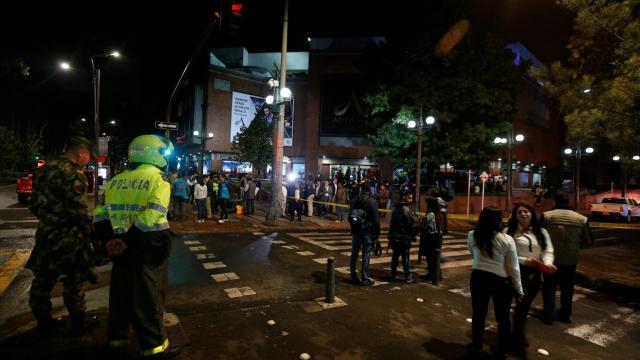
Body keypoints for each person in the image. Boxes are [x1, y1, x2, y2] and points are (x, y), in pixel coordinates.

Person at [93, 134, 180, 358]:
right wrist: (127, 241)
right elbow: (151, 216)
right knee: (149, 302)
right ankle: (155, 348)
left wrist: (109, 241)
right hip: (146, 251)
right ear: (154, 154)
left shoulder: (115, 181)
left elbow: (100, 214)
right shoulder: (159, 181)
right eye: (164, 153)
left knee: (120, 298)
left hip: (118, 251)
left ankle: (117, 340)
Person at [27, 136, 100, 336]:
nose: (88, 162)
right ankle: (79, 321)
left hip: (46, 234)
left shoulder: (43, 170)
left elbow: (34, 203)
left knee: (42, 280)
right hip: (70, 237)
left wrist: (49, 220)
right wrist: (89, 230)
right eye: (89, 158)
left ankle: (44, 321)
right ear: (81, 153)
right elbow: (77, 208)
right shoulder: (73, 173)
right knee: (74, 281)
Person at [467, 206, 523, 359]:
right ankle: (501, 350)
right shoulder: (506, 239)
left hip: (478, 277)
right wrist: (519, 290)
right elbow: (513, 267)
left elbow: (472, 252)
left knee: (478, 314)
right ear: (499, 221)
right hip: (500, 280)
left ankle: (477, 347)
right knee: (502, 317)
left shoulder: (473, 235)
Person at [505, 202, 555, 352]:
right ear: (515, 216)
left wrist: (547, 263)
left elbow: (548, 250)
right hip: (514, 272)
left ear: (532, 214)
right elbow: (506, 254)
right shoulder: (509, 231)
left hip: (534, 273)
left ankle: (517, 333)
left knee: (524, 305)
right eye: (519, 212)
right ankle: (511, 335)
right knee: (515, 304)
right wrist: (525, 260)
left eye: (525, 211)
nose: (523, 214)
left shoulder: (541, 232)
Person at [540, 194, 592, 324]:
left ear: (555, 202)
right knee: (567, 287)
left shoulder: (547, 215)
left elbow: (539, 235)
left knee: (549, 286)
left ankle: (549, 314)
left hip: (551, 258)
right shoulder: (582, 219)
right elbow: (589, 241)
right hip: (570, 259)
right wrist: (576, 246)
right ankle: (565, 314)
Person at [348, 183, 380, 286]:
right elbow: (376, 221)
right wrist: (377, 234)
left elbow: (350, 216)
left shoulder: (354, 200)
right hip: (367, 232)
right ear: (369, 190)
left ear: (361, 189)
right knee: (366, 255)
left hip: (356, 231)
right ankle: (365, 278)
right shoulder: (372, 202)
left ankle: (353, 275)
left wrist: (353, 228)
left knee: (354, 254)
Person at [388, 193, 420, 283]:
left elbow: (392, 225)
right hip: (403, 238)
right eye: (409, 198)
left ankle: (392, 274)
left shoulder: (395, 209)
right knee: (405, 258)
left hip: (394, 237)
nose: (411, 200)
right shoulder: (406, 210)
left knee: (395, 256)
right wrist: (413, 235)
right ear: (404, 198)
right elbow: (410, 225)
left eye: (411, 198)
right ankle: (408, 276)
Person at [420, 198, 445, 284]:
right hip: (438, 239)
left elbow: (428, 229)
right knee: (435, 258)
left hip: (431, 239)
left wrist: (422, 223)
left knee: (430, 258)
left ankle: (432, 275)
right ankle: (437, 275)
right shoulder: (439, 214)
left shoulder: (430, 214)